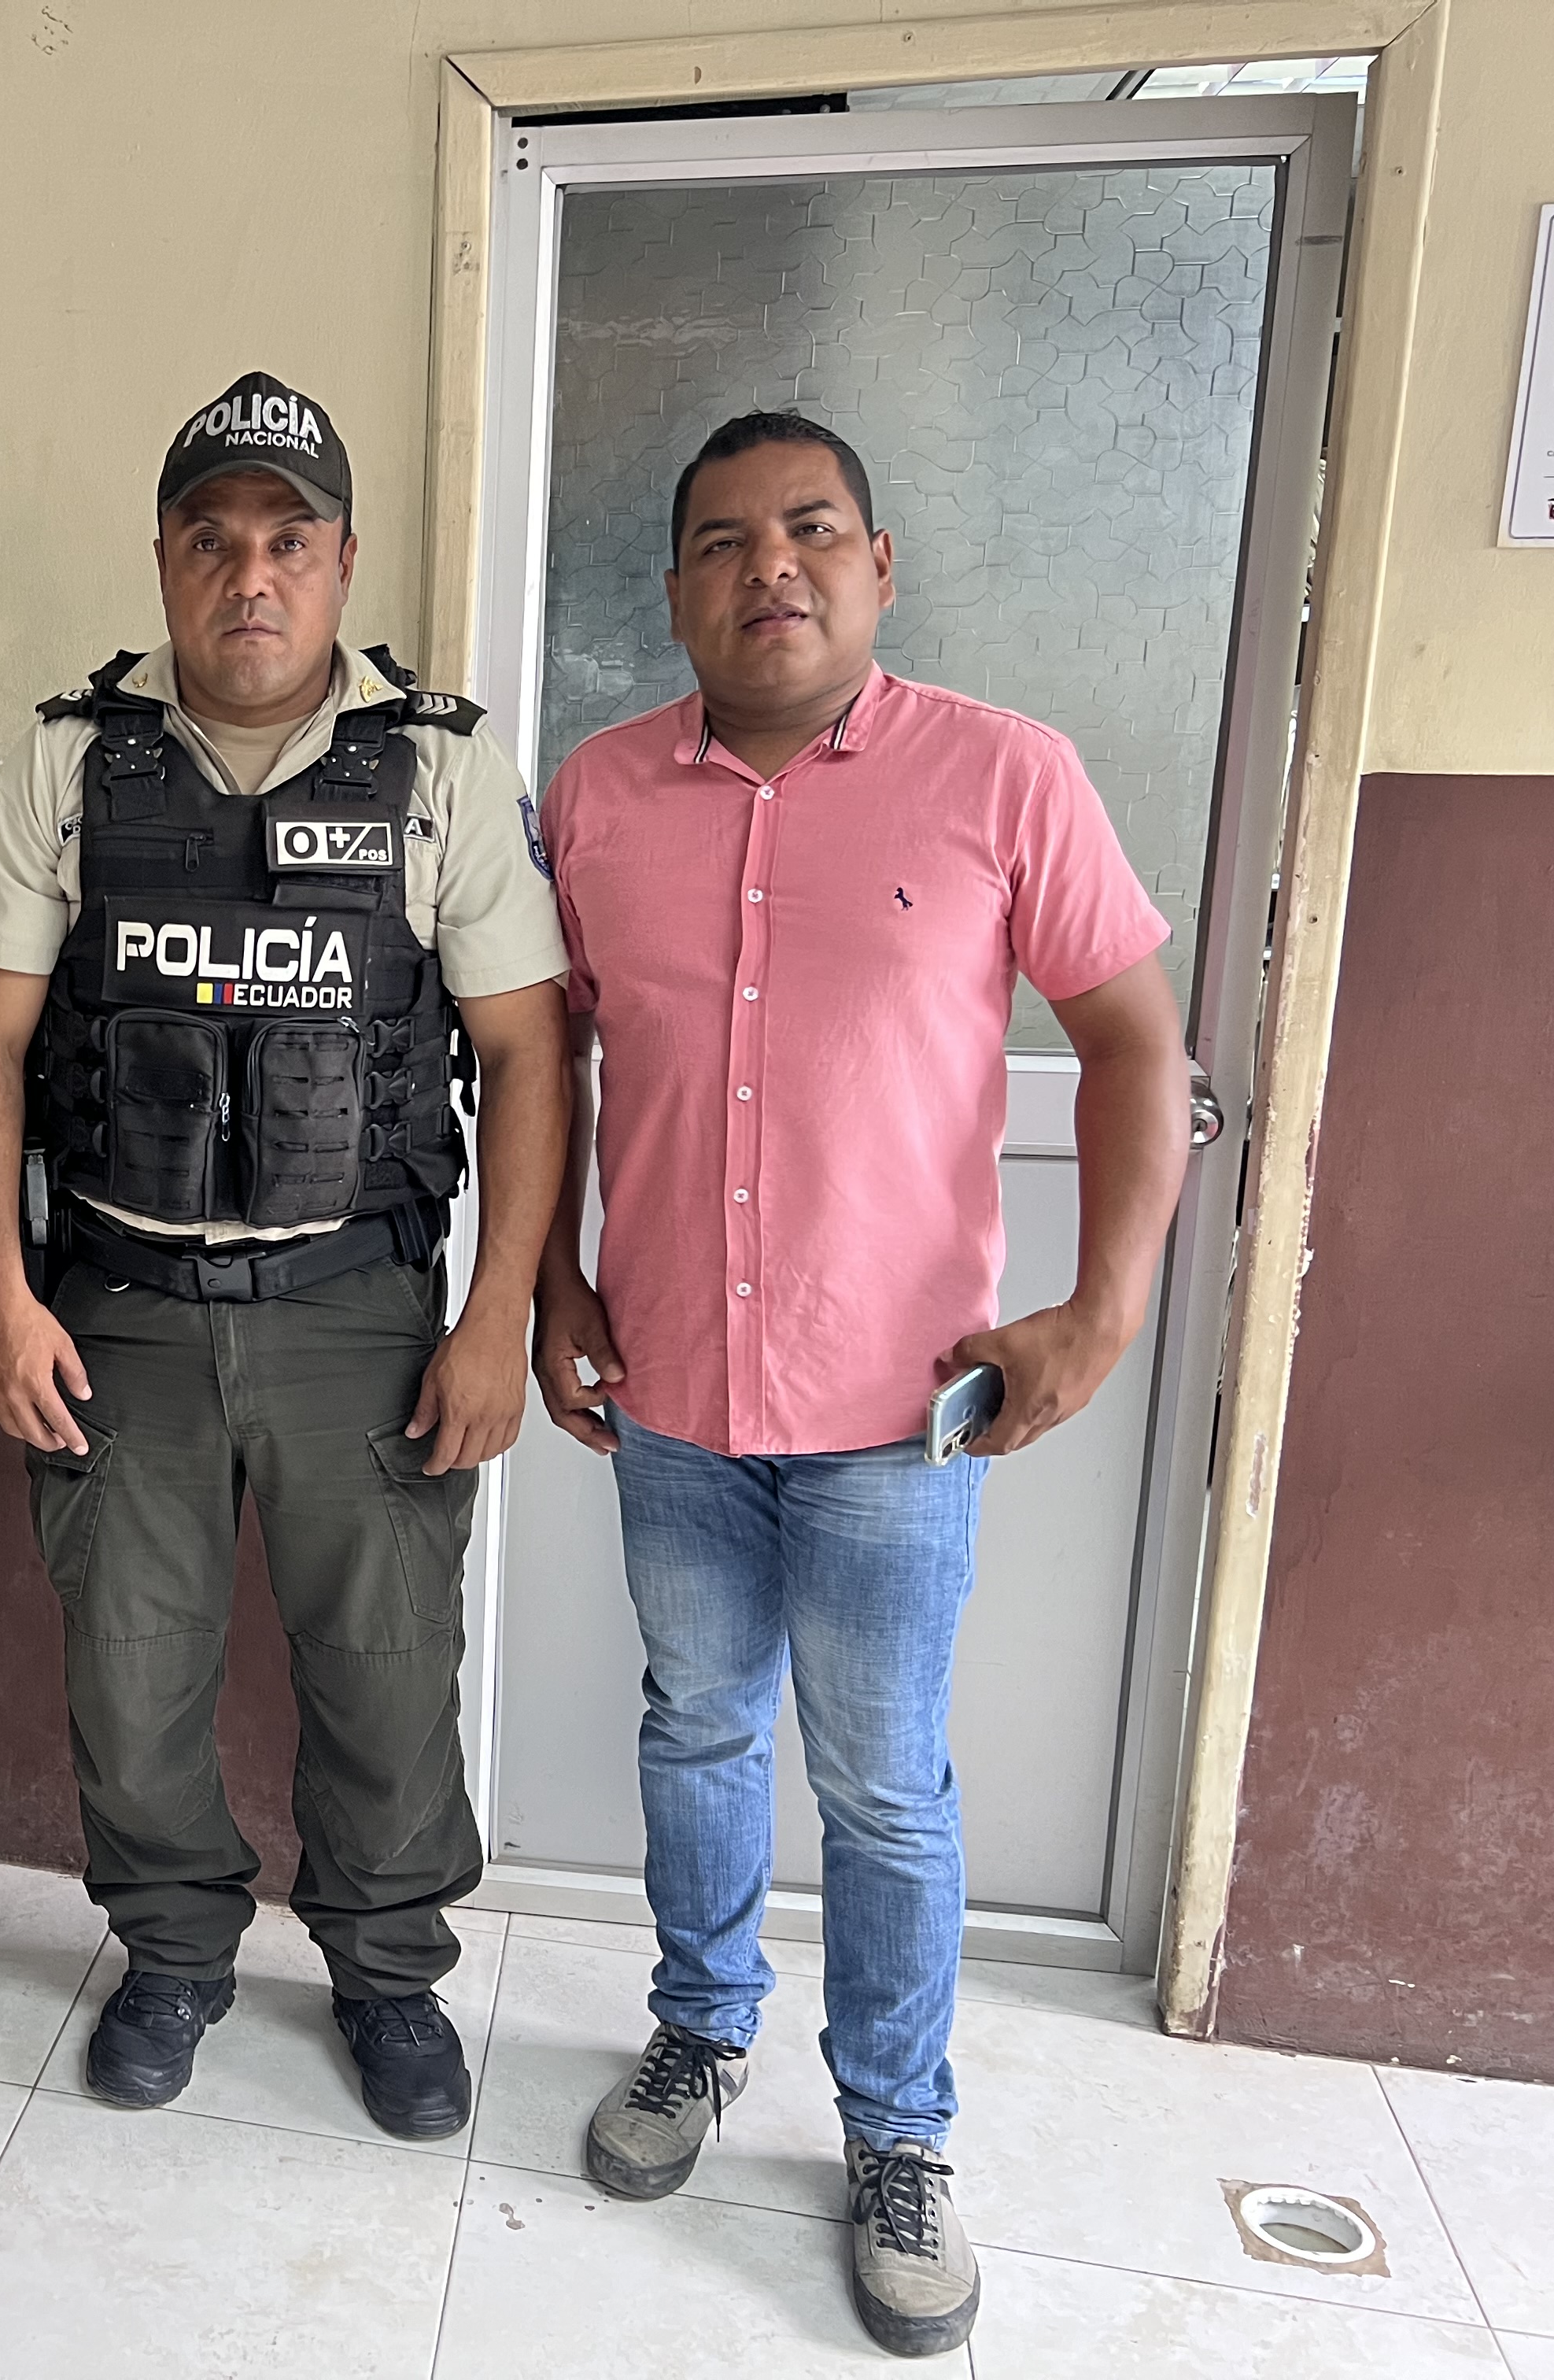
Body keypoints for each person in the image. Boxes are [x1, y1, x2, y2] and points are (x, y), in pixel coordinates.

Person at [534, 411, 1188, 2358]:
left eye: (812, 530)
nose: (771, 568)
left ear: (880, 566)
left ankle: (899, 2134)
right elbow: (545, 1062)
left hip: (904, 1413)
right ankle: (698, 2028)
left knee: (885, 1789)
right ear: (675, 590)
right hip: (671, 1389)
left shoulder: (1005, 776)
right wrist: (551, 1280)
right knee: (695, 1731)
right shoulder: (597, 796)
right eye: (724, 541)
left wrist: (1104, 1308)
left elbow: (1136, 1044)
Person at [0, 372, 570, 2140]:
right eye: (211, 540)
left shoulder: (442, 772)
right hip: (119, 1305)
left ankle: (387, 1973)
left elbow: (529, 1055)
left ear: (344, 561)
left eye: (290, 541)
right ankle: (172, 1953)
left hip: (356, 1308)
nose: (251, 577)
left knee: (387, 1665)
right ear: (163, 558)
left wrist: (496, 1316)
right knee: (130, 1667)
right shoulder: (70, 763)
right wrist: (1, 1294)